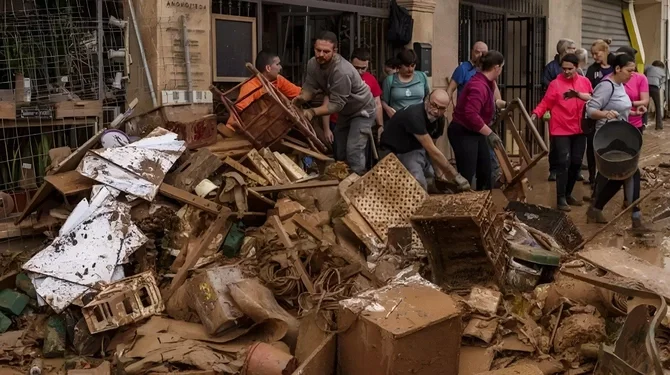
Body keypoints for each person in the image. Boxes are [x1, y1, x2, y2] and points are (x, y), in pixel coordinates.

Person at [292, 31, 376, 176]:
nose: (321, 55)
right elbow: (310, 87)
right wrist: (302, 98)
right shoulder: (313, 63)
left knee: (354, 150)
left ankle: (358, 185)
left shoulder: (341, 71)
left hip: (362, 110)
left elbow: (336, 105)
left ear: (335, 51)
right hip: (346, 111)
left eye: (326, 51)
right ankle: (342, 183)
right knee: (340, 149)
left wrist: (312, 112)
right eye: (318, 50)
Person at [585, 53, 644, 228]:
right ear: (617, 68)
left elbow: (618, 107)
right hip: (607, 138)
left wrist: (633, 111)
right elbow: (591, 110)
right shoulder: (606, 85)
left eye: (634, 71)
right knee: (626, 172)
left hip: (620, 135)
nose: (631, 74)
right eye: (629, 70)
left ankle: (596, 207)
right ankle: (635, 217)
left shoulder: (620, 85)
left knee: (614, 175)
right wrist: (605, 114)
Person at [531, 54, 592, 211]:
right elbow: (546, 102)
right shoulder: (555, 84)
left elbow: (593, 99)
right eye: (563, 68)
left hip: (580, 129)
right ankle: (560, 199)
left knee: (576, 162)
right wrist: (536, 113)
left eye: (569, 69)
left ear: (577, 67)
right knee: (563, 162)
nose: (566, 72)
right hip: (560, 129)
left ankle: (568, 193)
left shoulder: (585, 82)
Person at [380, 89, 470, 192]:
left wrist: (439, 174)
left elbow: (433, 149)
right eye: (433, 105)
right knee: (419, 184)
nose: (436, 111)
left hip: (416, 148)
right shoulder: (414, 116)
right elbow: (431, 149)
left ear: (446, 109)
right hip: (394, 150)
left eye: (441, 108)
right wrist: (455, 175)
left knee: (430, 176)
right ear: (427, 99)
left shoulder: (440, 120)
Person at [448, 51, 505, 191]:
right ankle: (462, 206)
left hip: (475, 132)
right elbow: (471, 114)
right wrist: (489, 133)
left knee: (485, 171)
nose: (502, 70)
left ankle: (483, 205)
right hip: (463, 132)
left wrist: (502, 104)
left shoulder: (487, 82)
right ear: (496, 68)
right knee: (467, 175)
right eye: (502, 67)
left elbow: (487, 101)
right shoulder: (479, 86)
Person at [322, 48, 384, 155]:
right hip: (338, 123)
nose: (359, 72)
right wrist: (326, 129)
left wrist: (380, 125)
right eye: (356, 68)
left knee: (357, 156)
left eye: (363, 68)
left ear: (368, 65)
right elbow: (327, 102)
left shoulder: (371, 80)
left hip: (361, 123)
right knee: (340, 156)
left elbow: (377, 104)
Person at [224, 50, 301, 132]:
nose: (280, 67)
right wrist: (230, 126)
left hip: (276, 125)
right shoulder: (251, 86)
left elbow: (298, 92)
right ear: (268, 68)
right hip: (258, 128)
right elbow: (238, 110)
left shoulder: (278, 80)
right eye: (277, 64)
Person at [543, 38, 577, 182]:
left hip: (571, 111)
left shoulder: (577, 68)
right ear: (565, 50)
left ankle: (572, 170)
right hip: (556, 109)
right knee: (555, 143)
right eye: (572, 48)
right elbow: (545, 83)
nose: (574, 50)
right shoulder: (551, 67)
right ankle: (554, 169)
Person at [583, 39, 615, 187]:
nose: (595, 57)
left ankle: (608, 174)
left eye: (597, 53)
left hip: (611, 113)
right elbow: (588, 88)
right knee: (591, 145)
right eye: (593, 54)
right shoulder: (592, 69)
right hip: (595, 111)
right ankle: (592, 176)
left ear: (605, 51)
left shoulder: (615, 67)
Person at [381, 49, 430, 118]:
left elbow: (428, 96)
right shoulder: (390, 80)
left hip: (419, 118)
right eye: (407, 66)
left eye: (413, 65)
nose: (410, 69)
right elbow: (383, 101)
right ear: (400, 65)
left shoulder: (422, 76)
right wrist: (388, 110)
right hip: (398, 118)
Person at [645, 60, 666, 130]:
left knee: (645, 106)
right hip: (655, 88)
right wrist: (659, 85)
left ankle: (643, 124)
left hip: (646, 87)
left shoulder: (648, 67)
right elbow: (663, 80)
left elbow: (644, 74)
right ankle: (659, 126)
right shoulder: (662, 71)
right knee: (658, 107)